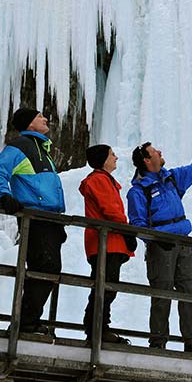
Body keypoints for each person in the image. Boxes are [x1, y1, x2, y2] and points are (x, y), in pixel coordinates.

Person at [126, 139, 192, 354]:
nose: (160, 152)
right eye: (155, 151)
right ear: (147, 160)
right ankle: (158, 343)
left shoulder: (171, 178)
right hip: (161, 248)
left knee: (189, 292)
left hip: (184, 244)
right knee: (162, 294)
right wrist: (156, 240)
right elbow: (137, 224)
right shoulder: (138, 192)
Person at [0, 107, 67, 335]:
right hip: (36, 217)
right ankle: (25, 324)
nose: (46, 119)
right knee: (45, 268)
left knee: (48, 269)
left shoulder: (43, 151)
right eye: (40, 116)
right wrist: (3, 195)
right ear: (29, 124)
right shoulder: (21, 146)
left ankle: (27, 322)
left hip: (49, 218)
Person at [79, 144, 137, 344]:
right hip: (107, 242)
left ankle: (98, 327)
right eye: (112, 155)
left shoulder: (103, 180)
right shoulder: (100, 180)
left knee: (105, 286)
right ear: (103, 159)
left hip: (107, 242)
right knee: (106, 286)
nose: (116, 158)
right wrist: (127, 231)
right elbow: (111, 210)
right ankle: (98, 328)